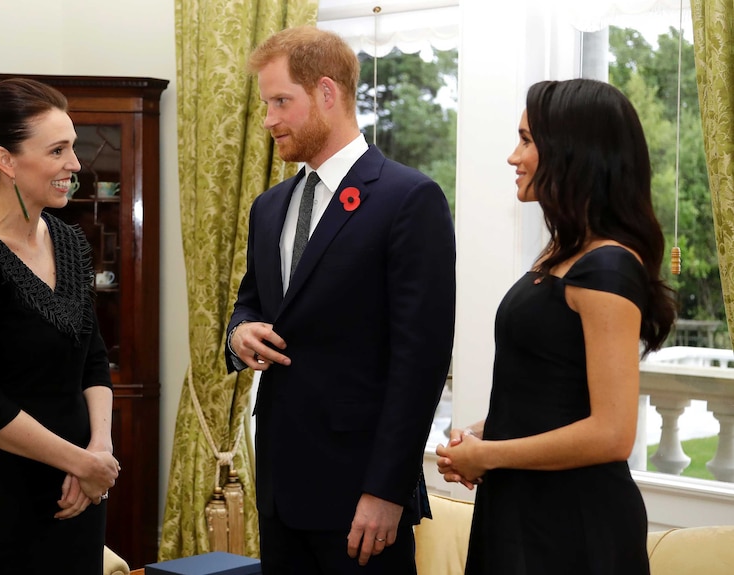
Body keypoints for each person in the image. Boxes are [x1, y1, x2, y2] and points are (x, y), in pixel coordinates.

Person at [225, 26, 456, 575]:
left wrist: (386, 491)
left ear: (328, 93)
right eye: (265, 104)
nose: (269, 120)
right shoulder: (269, 207)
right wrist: (240, 333)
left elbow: (420, 364)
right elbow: (250, 303)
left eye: (281, 102)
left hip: (361, 501)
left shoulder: (409, 199)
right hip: (280, 493)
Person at [436, 79, 677, 574]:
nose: (513, 156)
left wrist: (491, 455)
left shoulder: (608, 267)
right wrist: (482, 437)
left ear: (573, 152)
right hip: (524, 508)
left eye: (526, 140)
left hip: (571, 526)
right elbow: (555, 394)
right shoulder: (562, 254)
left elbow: (612, 434)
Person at [0, 78, 120, 574]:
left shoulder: (71, 242)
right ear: (6, 161)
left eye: (72, 147)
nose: (75, 164)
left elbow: (93, 359)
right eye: (58, 150)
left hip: (77, 497)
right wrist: (78, 462)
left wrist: (98, 452)